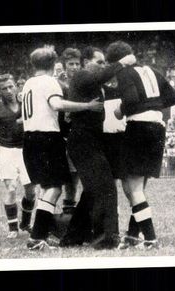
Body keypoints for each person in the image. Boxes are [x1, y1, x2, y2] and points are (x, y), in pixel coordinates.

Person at [21, 45, 104, 250]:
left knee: (46, 188)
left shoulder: (28, 83)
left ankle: (42, 231)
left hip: (29, 138)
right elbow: (57, 105)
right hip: (47, 137)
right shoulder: (50, 82)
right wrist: (87, 106)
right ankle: (37, 237)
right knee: (55, 187)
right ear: (53, 63)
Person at [59, 46, 136, 249]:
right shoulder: (82, 76)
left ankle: (73, 236)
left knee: (92, 190)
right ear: (86, 62)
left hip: (89, 141)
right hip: (83, 141)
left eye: (104, 62)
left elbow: (116, 90)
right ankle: (106, 238)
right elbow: (101, 77)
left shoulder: (94, 85)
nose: (103, 66)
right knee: (105, 187)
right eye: (99, 62)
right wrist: (122, 63)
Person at [106, 41, 175, 249]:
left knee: (134, 186)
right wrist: (152, 105)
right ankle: (131, 235)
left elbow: (129, 99)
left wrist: (120, 111)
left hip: (139, 126)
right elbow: (174, 97)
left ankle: (150, 239)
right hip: (157, 126)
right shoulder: (153, 71)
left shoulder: (125, 73)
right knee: (136, 184)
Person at [0, 74, 36, 239]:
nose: (8, 91)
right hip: (6, 151)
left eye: (10, 86)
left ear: (16, 86)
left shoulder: (26, 103)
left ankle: (25, 223)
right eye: (4, 88)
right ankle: (13, 228)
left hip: (27, 150)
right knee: (11, 188)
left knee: (31, 192)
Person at [57, 48, 83, 214]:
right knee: (60, 182)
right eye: (70, 64)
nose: (74, 67)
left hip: (80, 137)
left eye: (76, 64)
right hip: (61, 137)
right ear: (64, 66)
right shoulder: (57, 85)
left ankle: (71, 217)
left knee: (74, 180)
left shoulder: (84, 82)